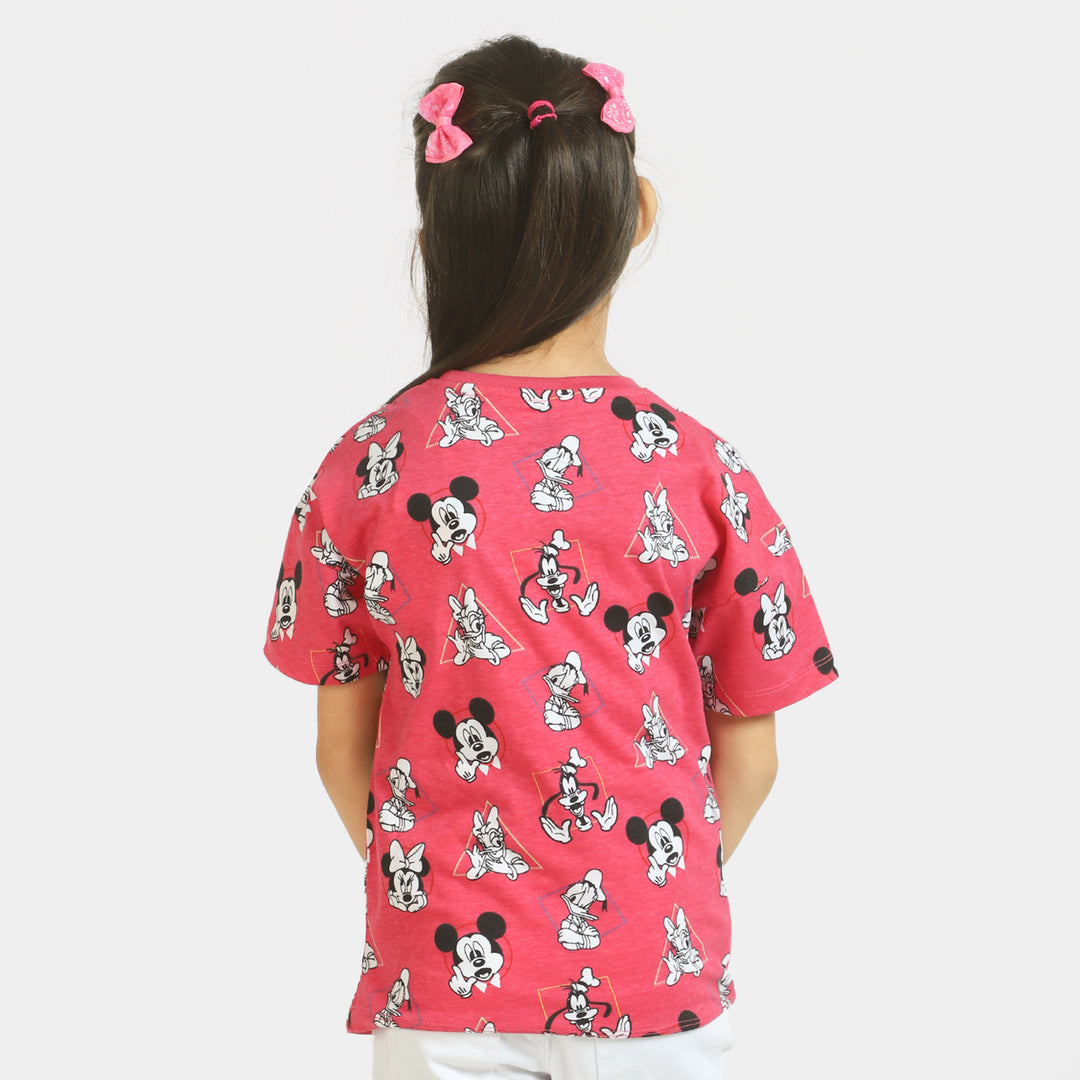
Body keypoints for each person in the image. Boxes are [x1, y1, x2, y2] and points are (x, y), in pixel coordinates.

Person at [263, 33, 838, 1080]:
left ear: (436, 239)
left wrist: (437, 894)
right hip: (654, 984)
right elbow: (753, 757)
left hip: (442, 988)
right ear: (637, 213)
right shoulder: (699, 470)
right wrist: (650, 900)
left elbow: (339, 751)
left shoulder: (369, 467)